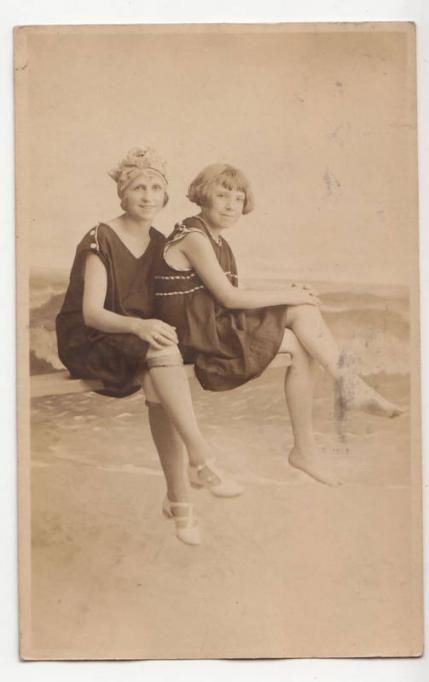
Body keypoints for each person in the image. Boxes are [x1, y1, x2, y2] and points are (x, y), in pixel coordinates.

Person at [152, 162, 403, 488]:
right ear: (203, 196)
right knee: (300, 331)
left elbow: (226, 301)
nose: (231, 205)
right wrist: (290, 292)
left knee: (302, 314)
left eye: (239, 199)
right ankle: (313, 438)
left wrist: (293, 295)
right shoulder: (194, 236)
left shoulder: (217, 241)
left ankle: (339, 398)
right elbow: (229, 298)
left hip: (207, 324)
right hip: (188, 335)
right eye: (222, 195)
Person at [56, 148, 241, 548]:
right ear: (123, 194)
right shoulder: (100, 236)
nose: (147, 196)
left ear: (166, 195)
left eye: (156, 187)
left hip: (135, 338)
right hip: (93, 338)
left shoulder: (161, 242)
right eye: (139, 187)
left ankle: (179, 501)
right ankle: (201, 459)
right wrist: (141, 326)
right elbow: (90, 313)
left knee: (161, 378)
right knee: (161, 356)